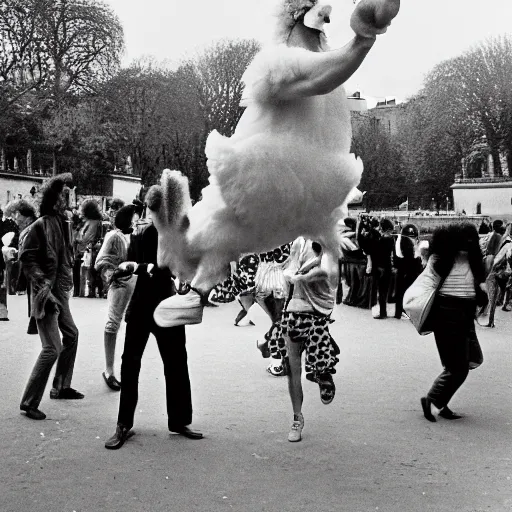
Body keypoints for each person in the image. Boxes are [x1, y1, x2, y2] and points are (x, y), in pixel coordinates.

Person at [105, 185, 202, 449]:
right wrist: (129, 268)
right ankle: (124, 424)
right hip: (147, 306)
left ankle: (178, 420)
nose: (154, 214)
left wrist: (184, 280)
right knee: (134, 363)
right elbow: (142, 267)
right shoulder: (145, 234)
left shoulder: (174, 235)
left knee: (174, 362)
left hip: (164, 305)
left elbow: (178, 268)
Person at [19, 173, 84, 421]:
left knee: (72, 335)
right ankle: (28, 402)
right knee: (51, 349)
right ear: (53, 200)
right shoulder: (40, 225)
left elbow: (65, 255)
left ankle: (60, 386)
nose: (65, 200)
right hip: (45, 295)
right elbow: (27, 257)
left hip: (59, 292)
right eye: (62, 196)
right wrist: (44, 286)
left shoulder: (61, 223)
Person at [268, 237, 339, 442]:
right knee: (292, 369)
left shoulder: (327, 239)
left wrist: (301, 278)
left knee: (320, 360)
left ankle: (323, 375)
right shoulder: (298, 242)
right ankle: (297, 418)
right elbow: (289, 268)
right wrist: (290, 275)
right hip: (294, 310)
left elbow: (325, 271)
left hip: (318, 312)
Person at [421, 222, 486, 422]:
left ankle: (441, 402)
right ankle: (432, 398)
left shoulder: (442, 259)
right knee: (459, 366)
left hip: (454, 314)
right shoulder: (458, 260)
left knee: (459, 363)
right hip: (451, 314)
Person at [95, 205, 137, 391]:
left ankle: (125, 370)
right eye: (135, 217)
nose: (137, 220)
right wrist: (114, 273)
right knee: (113, 324)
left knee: (134, 325)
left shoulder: (137, 234)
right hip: (120, 284)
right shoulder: (113, 236)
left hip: (136, 284)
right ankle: (109, 370)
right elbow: (100, 261)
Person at [367, 218, 395, 319]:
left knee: (380, 291)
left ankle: (382, 312)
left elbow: (376, 252)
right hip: (387, 266)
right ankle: (384, 311)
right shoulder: (392, 239)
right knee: (385, 290)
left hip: (380, 267)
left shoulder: (381, 240)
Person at [393, 223, 422, 319]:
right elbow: (415, 260)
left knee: (400, 292)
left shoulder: (398, 242)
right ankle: (405, 311)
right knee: (407, 293)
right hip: (410, 272)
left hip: (401, 271)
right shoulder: (410, 247)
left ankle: (398, 312)